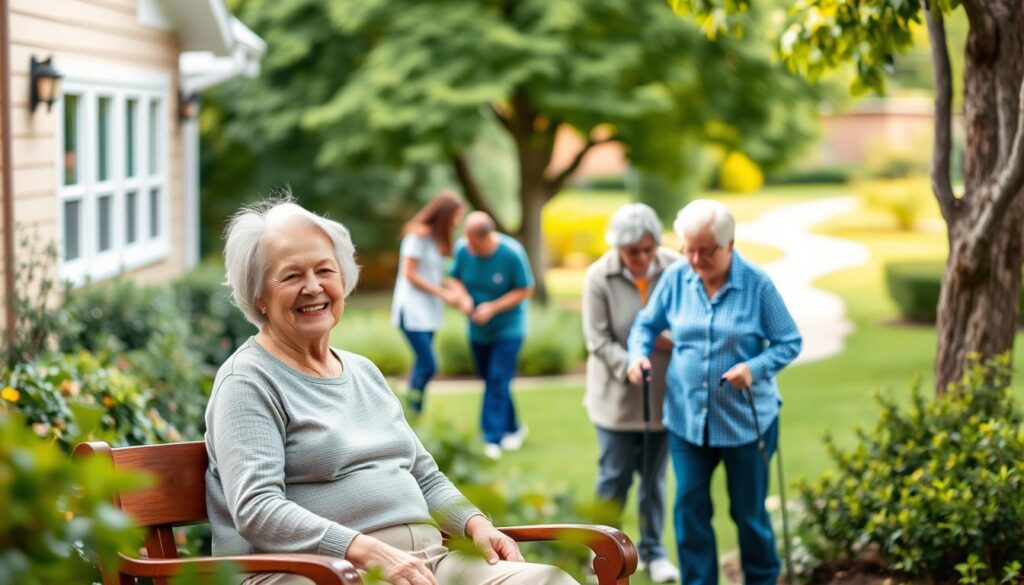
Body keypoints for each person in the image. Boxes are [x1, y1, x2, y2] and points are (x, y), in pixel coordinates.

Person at [207, 197, 576, 585]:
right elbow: (257, 509)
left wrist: (474, 522)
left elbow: (424, 475)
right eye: (291, 276)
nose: (313, 287)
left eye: (324, 270)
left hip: (424, 565)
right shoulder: (247, 381)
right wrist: (364, 549)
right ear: (259, 296)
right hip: (316, 573)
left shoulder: (363, 371)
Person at [626, 199, 802, 585]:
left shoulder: (757, 285)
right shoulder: (676, 279)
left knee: (748, 512)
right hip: (688, 421)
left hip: (746, 423)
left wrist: (753, 369)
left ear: (730, 245)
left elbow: (789, 341)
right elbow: (645, 324)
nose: (694, 259)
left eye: (705, 252)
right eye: (689, 249)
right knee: (689, 509)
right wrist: (637, 356)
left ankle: (761, 579)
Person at [581, 203, 681, 584]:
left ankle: (655, 552)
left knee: (654, 479)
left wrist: (672, 340)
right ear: (618, 248)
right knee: (614, 478)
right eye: (632, 251)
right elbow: (598, 340)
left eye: (647, 248)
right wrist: (629, 362)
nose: (641, 258)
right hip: (616, 401)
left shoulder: (675, 268)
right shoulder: (598, 277)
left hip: (665, 398)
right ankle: (601, 558)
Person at [447, 211, 533, 460]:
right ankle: (514, 427)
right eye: (467, 241)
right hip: (478, 329)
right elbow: (455, 279)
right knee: (494, 380)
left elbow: (525, 289)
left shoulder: (511, 253)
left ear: (487, 237)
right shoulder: (463, 249)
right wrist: (464, 298)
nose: (469, 247)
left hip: (509, 328)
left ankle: (491, 439)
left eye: (474, 242)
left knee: (497, 378)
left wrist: (493, 307)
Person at [390, 191, 466, 414]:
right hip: (412, 311)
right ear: (445, 214)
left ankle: (414, 414)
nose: (457, 222)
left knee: (421, 365)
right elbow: (410, 274)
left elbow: (432, 275)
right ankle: (413, 410)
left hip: (429, 312)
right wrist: (443, 294)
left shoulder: (436, 240)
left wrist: (453, 290)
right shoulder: (418, 236)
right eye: (456, 216)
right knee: (429, 364)